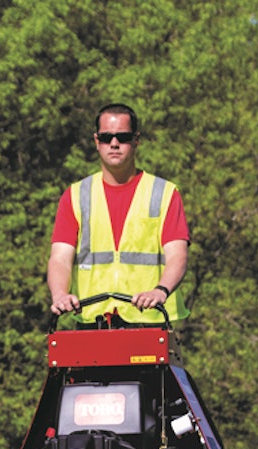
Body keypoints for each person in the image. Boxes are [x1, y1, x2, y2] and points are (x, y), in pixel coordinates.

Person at [47, 103, 190, 325]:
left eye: (122, 137)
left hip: (150, 321)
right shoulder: (76, 195)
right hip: (91, 321)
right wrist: (59, 295)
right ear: (96, 141)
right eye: (106, 138)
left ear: (136, 140)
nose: (114, 144)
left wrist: (160, 291)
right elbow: (60, 258)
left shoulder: (164, 193)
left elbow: (177, 255)